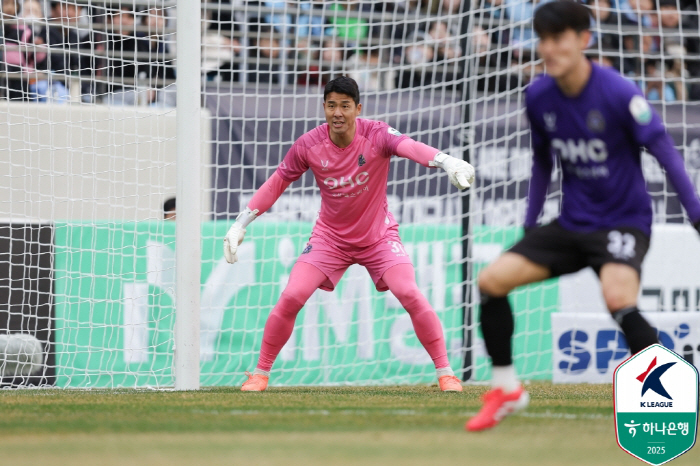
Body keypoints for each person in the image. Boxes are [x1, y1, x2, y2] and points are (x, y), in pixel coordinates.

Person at [466, 0, 700, 432]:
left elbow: (665, 152)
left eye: (557, 39)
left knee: (618, 300)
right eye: (542, 40)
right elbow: (541, 162)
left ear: (583, 40)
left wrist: (696, 215)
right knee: (491, 281)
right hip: (572, 224)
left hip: (623, 222)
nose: (548, 49)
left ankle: (663, 405)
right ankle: (506, 389)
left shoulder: (617, 93)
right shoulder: (538, 95)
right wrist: (531, 223)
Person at [223, 76, 475, 392]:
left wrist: (445, 161)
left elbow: (409, 147)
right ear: (324, 108)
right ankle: (259, 374)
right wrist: (240, 224)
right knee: (291, 296)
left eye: (345, 106)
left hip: (379, 238)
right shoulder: (309, 144)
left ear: (358, 108)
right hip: (330, 239)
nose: (337, 113)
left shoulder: (377, 133)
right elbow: (277, 182)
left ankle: (446, 373)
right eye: (331, 106)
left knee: (410, 294)